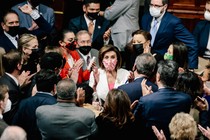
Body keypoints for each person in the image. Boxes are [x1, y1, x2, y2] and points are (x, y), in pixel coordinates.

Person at [134, 60, 192, 140]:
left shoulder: (145, 100)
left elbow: (135, 123)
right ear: (176, 79)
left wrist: (146, 98)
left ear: (158, 77)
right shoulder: (186, 99)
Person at [141, 0, 198, 69]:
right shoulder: (145, 17)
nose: (153, 8)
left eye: (157, 6)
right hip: (146, 56)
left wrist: (191, 68)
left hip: (163, 62)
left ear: (165, 7)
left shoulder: (173, 22)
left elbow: (192, 43)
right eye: (151, 5)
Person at [12, 69, 58, 140]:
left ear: (35, 86)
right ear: (55, 87)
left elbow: (15, 127)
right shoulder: (56, 104)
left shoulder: (23, 103)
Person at [0, 50, 32, 124]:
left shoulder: (3, 78)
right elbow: (13, 117)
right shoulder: (12, 90)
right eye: (22, 62)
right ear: (18, 65)